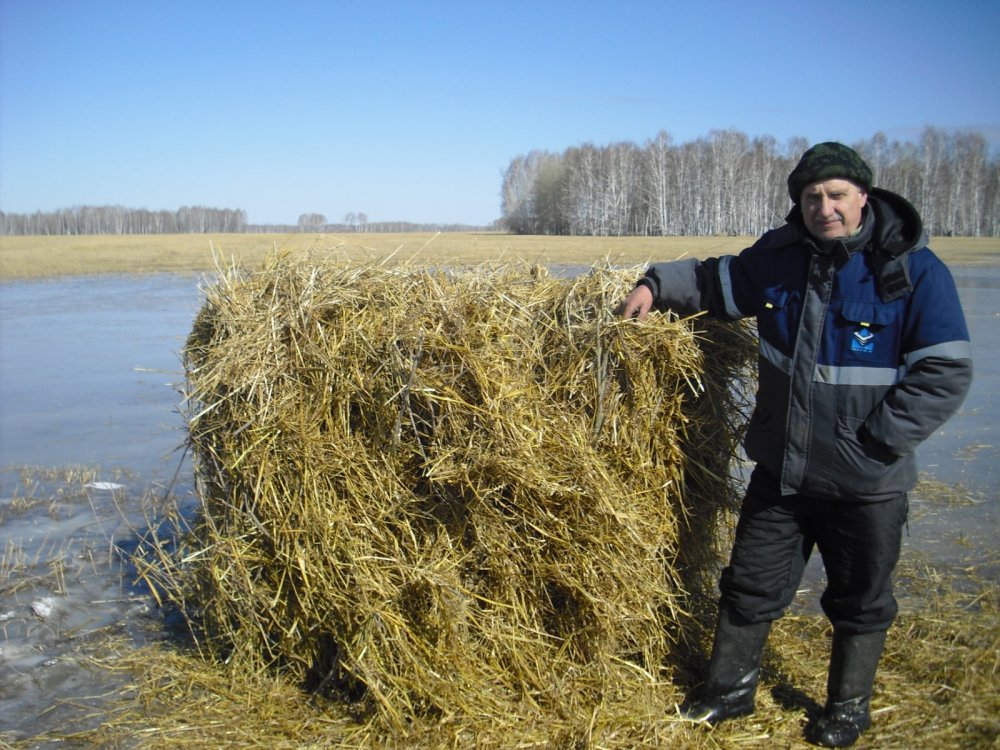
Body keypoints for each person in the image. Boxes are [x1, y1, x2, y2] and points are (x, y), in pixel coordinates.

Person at [621, 142, 973, 748]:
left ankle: (847, 709)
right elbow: (715, 279)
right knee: (749, 585)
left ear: (864, 196)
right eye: (812, 197)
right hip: (782, 472)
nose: (824, 207)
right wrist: (655, 286)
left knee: (860, 599)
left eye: (836, 194)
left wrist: (877, 443)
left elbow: (944, 371)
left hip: (868, 481)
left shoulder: (913, 270)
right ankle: (727, 694)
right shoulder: (779, 259)